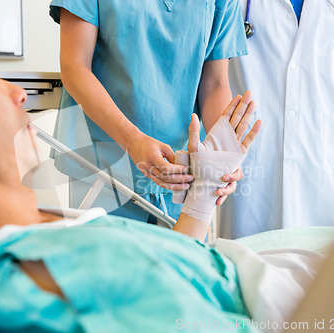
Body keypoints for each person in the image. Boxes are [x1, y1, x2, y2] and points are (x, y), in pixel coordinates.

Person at [0, 11, 334, 333]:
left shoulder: (55, 243)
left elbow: (160, 270)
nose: (17, 93)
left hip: (241, 250)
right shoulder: (31, 279)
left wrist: (203, 191)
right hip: (111, 155)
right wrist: (135, 141)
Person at [48, 0, 249, 222]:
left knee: (180, 256)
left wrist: (222, 153)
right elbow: (75, 65)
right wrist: (133, 141)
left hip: (182, 171)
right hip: (104, 165)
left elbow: (214, 83)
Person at [220, 0, 334, 238]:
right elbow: (216, 73)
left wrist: (315, 111)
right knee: (247, 263)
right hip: (255, 160)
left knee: (322, 267)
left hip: (322, 161)